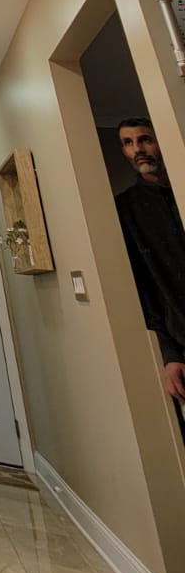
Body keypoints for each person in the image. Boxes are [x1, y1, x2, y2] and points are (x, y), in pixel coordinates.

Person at [113, 116, 185, 403]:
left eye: (144, 139)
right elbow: (145, 282)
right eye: (128, 143)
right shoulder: (127, 208)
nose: (137, 149)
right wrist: (170, 353)